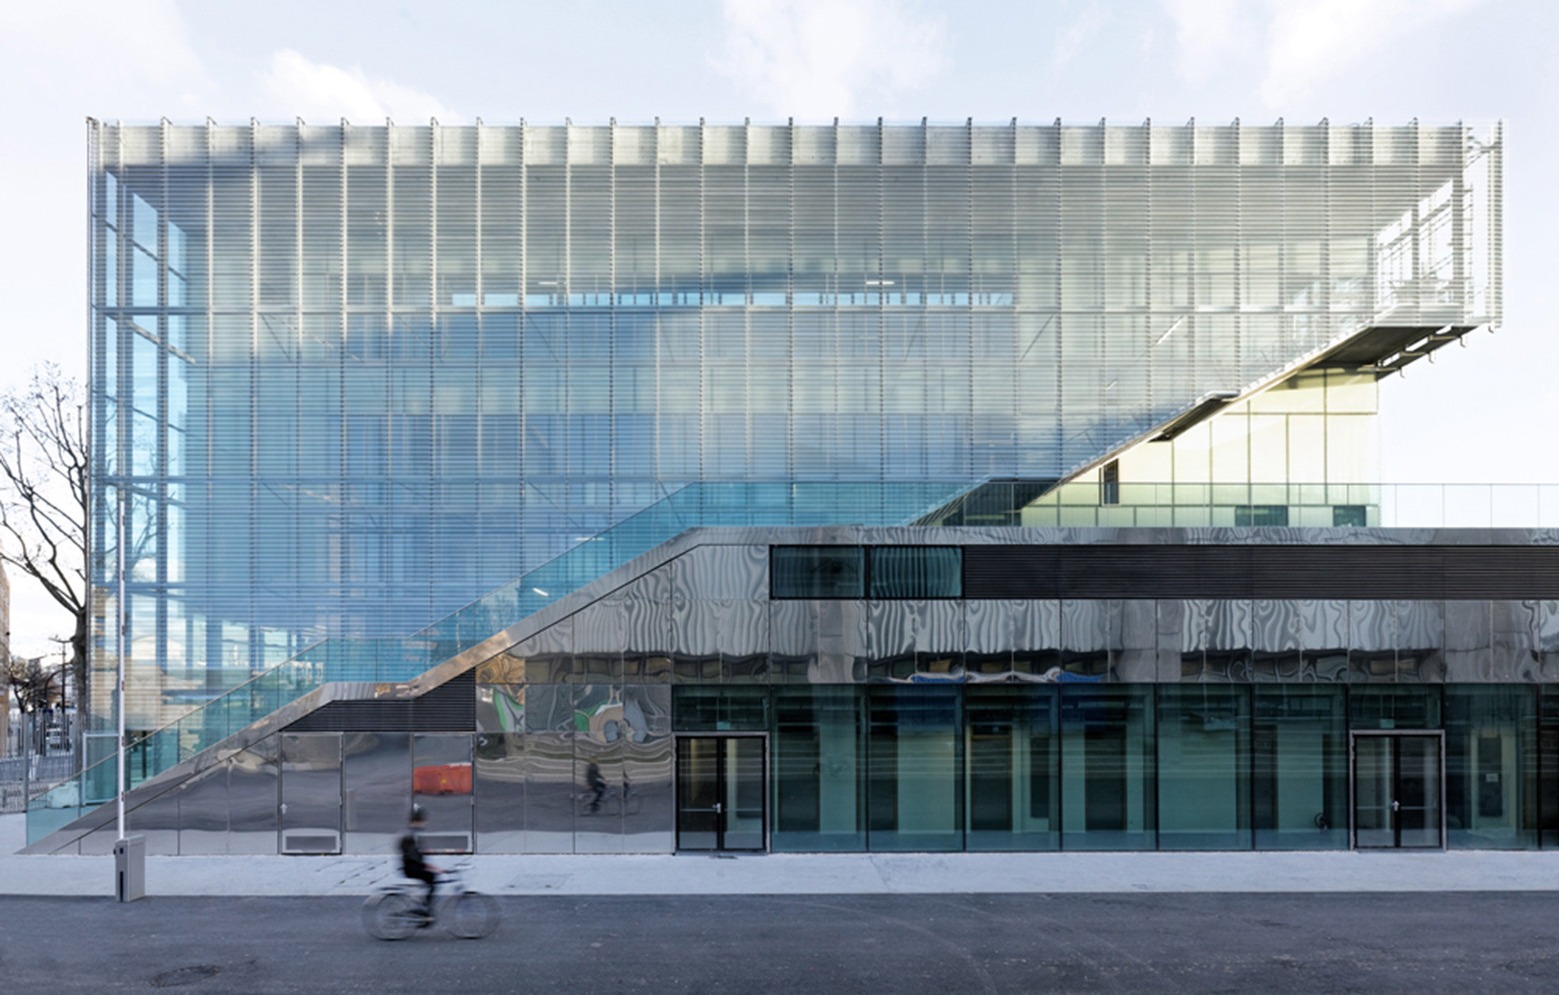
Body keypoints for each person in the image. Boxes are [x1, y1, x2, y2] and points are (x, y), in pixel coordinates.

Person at [398, 804, 441, 920]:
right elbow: (413, 855)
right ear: (418, 821)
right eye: (424, 821)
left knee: (429, 880)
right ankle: (424, 908)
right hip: (411, 868)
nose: (425, 823)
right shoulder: (411, 834)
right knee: (432, 878)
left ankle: (422, 905)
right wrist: (427, 866)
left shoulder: (410, 832)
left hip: (410, 866)